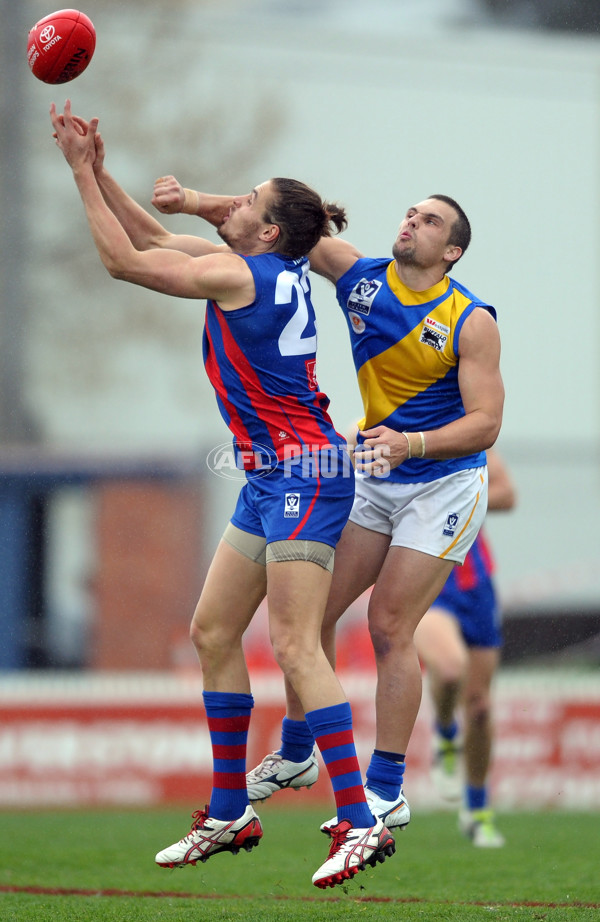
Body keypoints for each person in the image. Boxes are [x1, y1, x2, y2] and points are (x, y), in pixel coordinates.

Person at [49, 100, 396, 890]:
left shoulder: (240, 273)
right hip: (270, 475)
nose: (232, 204)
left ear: (268, 231)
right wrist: (102, 170)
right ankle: (230, 809)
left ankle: (360, 820)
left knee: (296, 644)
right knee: (212, 631)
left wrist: (78, 175)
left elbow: (125, 263)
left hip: (306, 473)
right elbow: (154, 238)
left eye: (248, 202)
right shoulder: (262, 269)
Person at [151, 178, 504, 833]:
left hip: (441, 481)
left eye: (428, 221)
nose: (410, 222)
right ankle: (296, 751)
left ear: (451, 251)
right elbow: (279, 227)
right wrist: (195, 202)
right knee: (311, 618)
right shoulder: (360, 276)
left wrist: (413, 443)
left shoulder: (470, 319)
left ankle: (386, 789)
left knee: (390, 625)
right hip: (375, 466)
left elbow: (486, 424)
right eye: (409, 211)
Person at [414, 448, 516, 847]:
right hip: (423, 581)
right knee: (450, 667)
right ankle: (444, 731)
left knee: (480, 705)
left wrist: (458, 486)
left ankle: (477, 810)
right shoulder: (388, 431)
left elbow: (508, 495)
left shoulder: (475, 442)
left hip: (475, 585)